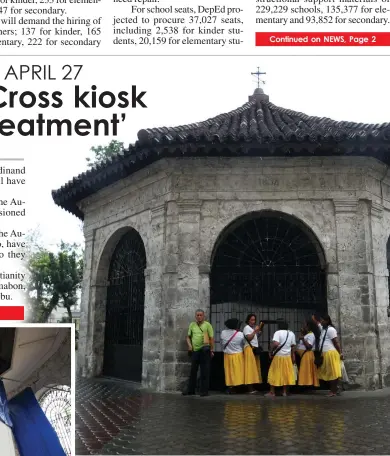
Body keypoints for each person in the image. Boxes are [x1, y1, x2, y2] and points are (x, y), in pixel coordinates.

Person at [182, 309, 214, 397]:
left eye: (201, 315)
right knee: (193, 371)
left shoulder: (208, 325)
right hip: (195, 351)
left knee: (204, 371)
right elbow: (188, 337)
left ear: (203, 316)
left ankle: (204, 391)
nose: (199, 317)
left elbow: (211, 338)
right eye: (197, 315)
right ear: (195, 316)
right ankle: (190, 390)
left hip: (205, 350)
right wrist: (189, 346)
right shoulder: (192, 325)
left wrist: (211, 350)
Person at [266, 321, 296, 397]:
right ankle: (285, 392)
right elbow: (293, 347)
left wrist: (270, 351)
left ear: (279, 326)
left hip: (278, 357)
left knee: (273, 373)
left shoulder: (278, 332)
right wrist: (293, 356)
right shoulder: (291, 333)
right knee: (286, 374)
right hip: (287, 357)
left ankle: (272, 392)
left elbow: (276, 343)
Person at [317, 314, 343, 397]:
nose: (321, 322)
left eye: (322, 320)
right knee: (329, 372)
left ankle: (333, 391)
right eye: (320, 320)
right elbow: (318, 324)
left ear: (327, 321)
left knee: (333, 373)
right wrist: (314, 319)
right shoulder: (323, 329)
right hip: (325, 353)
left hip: (330, 353)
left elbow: (335, 342)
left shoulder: (331, 329)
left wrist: (340, 353)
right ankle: (335, 389)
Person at [221, 318, 245, 394]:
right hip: (238, 355)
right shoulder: (240, 334)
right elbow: (244, 343)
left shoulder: (223, 332)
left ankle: (230, 387)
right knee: (238, 371)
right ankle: (237, 386)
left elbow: (221, 342)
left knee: (229, 372)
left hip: (227, 355)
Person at [243, 314, 262, 393]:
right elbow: (249, 338)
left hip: (253, 349)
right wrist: (255, 331)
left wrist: (257, 333)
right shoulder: (246, 328)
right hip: (249, 349)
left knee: (254, 368)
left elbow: (253, 338)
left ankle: (252, 388)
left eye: (254, 320)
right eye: (251, 320)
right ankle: (250, 388)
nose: (253, 322)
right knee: (250, 368)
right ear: (248, 320)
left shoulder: (251, 328)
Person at [298, 320, 320, 388]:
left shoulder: (311, 335)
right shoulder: (307, 334)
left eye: (305, 325)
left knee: (306, 371)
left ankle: (307, 384)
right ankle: (305, 384)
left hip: (307, 355)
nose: (304, 326)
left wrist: (303, 339)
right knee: (305, 371)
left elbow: (309, 346)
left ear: (309, 326)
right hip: (303, 355)